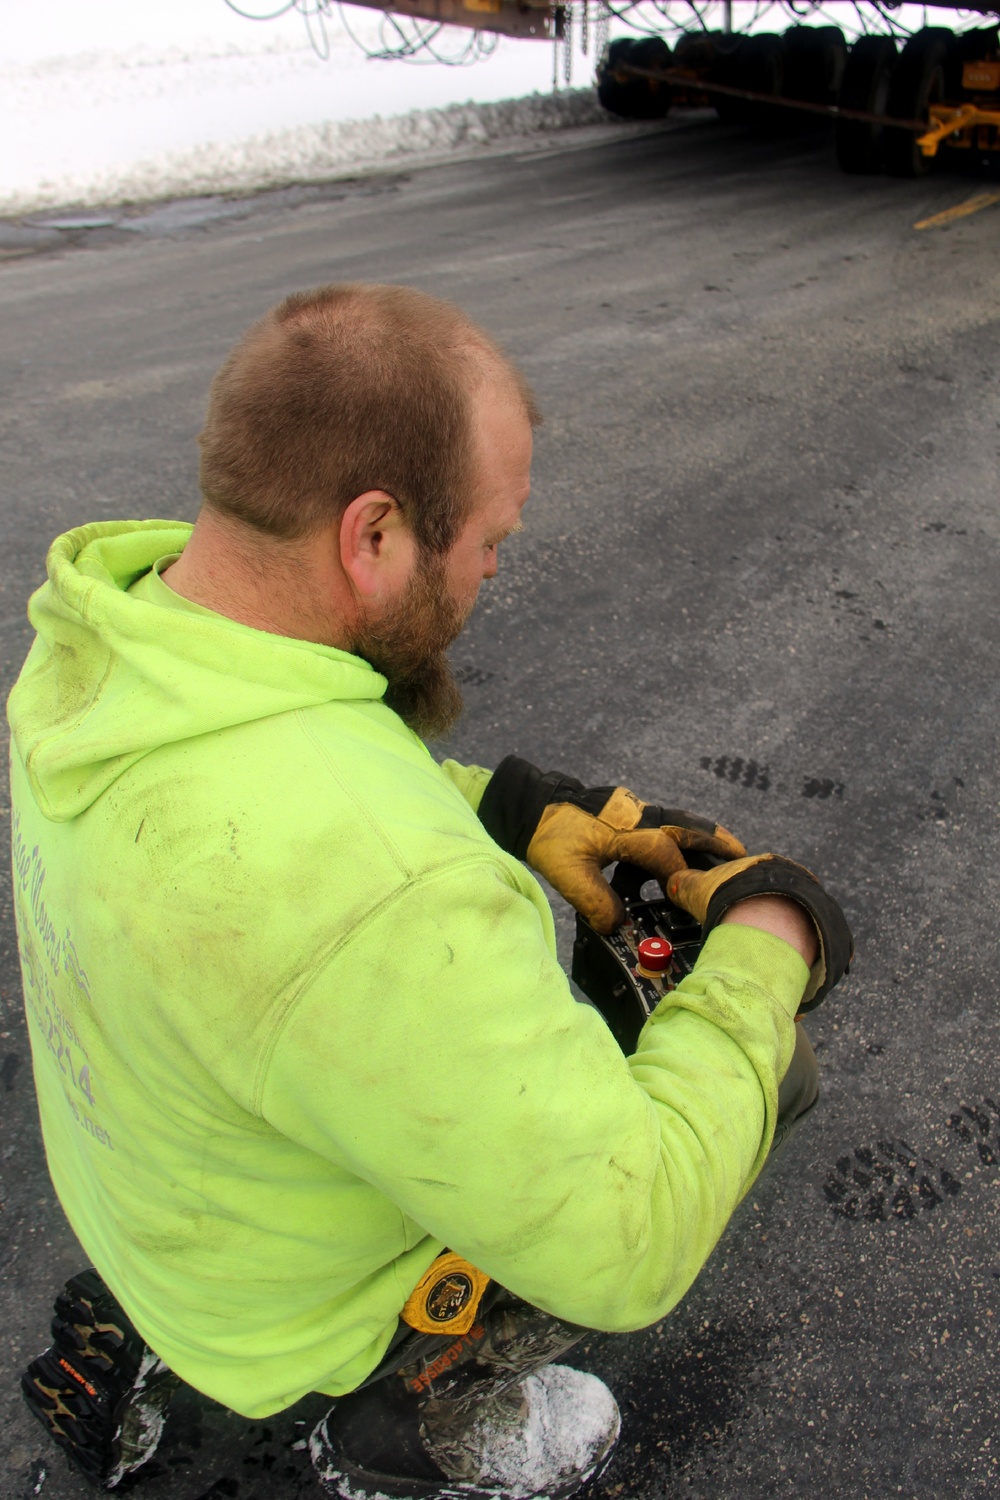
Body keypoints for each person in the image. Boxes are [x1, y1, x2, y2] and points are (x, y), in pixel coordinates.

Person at [8, 283, 852, 1499]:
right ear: (375, 535)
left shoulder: (106, 643)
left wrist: (512, 807)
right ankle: (380, 1424)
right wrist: (769, 937)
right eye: (491, 539)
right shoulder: (380, 894)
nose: (498, 566)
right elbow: (631, 1239)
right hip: (287, 1342)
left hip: (171, 1210)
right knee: (755, 1077)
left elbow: (292, 793)